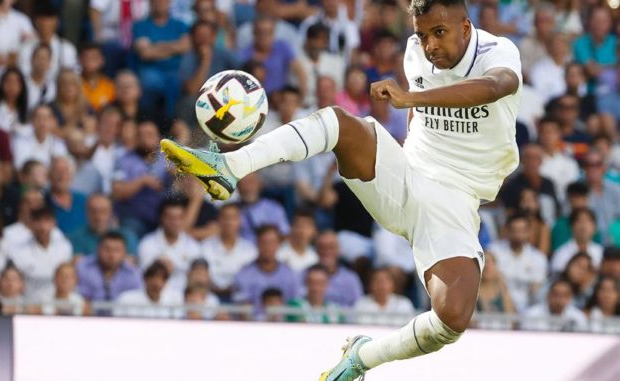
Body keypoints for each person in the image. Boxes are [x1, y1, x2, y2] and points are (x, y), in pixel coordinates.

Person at [161, 0, 523, 377]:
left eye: (439, 33)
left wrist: (409, 98)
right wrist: (398, 151)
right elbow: (420, 115)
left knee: (452, 319)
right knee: (341, 124)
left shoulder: (497, 52)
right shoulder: (416, 54)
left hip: (456, 199)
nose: (429, 44)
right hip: (408, 175)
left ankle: (361, 358)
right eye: (422, 34)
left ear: (466, 27)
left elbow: (495, 87)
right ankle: (229, 166)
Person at [232, 225, 298, 314]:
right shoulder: (243, 274)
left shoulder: (289, 274)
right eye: (264, 242)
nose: (268, 247)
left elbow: (294, 307)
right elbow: (243, 310)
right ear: (257, 243)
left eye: (272, 242)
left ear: (279, 244)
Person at [137, 199, 201, 292]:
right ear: (161, 218)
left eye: (178, 218)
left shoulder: (193, 246)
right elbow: (145, 277)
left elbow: (196, 279)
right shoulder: (147, 244)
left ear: (183, 219)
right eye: (170, 217)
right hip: (156, 297)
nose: (174, 222)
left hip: (185, 299)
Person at [9, 207, 73, 298]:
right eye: (38, 221)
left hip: (58, 303)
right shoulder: (19, 253)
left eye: (47, 221)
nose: (43, 227)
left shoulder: (65, 248)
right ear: (31, 224)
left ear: (54, 223)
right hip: (29, 304)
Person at [488, 213, 547, 312]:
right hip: (498, 304)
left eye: (522, 230)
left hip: (528, 307)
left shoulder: (538, 258)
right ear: (507, 231)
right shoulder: (494, 251)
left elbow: (537, 289)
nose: (518, 234)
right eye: (514, 230)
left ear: (528, 232)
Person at [199, 203, 256, 300]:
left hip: (240, 300)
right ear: (218, 221)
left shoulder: (250, 250)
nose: (229, 222)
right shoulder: (205, 246)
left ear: (240, 221)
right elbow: (201, 275)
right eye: (225, 218)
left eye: (233, 218)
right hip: (210, 297)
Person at [77, 231, 142, 302]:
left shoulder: (133, 274)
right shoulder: (83, 268)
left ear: (125, 253)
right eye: (107, 249)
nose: (111, 255)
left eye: (117, 250)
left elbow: (137, 300)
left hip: (121, 312)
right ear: (98, 249)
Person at [68, 194, 138, 258]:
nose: (98, 217)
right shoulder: (75, 238)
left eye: (103, 211)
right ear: (86, 212)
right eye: (93, 211)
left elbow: (131, 263)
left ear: (111, 213)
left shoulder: (127, 237)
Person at [114, 261, 182, 318]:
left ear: (166, 282)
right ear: (145, 280)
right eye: (152, 278)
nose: (157, 283)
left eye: (162, 279)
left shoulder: (174, 300)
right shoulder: (126, 299)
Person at [520, 279, 588, 332]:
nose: (559, 299)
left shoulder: (577, 317)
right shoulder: (532, 314)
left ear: (570, 298)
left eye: (564, 295)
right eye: (556, 295)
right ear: (548, 296)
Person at [550, 208, 603, 273]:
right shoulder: (561, 254)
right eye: (579, 221)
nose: (584, 226)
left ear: (595, 228)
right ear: (571, 227)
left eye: (588, 221)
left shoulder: (601, 252)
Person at [79, 43, 116, 111]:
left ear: (102, 61)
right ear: (79, 60)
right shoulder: (74, 84)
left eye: (94, 57)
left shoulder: (110, 86)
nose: (89, 61)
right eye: (85, 57)